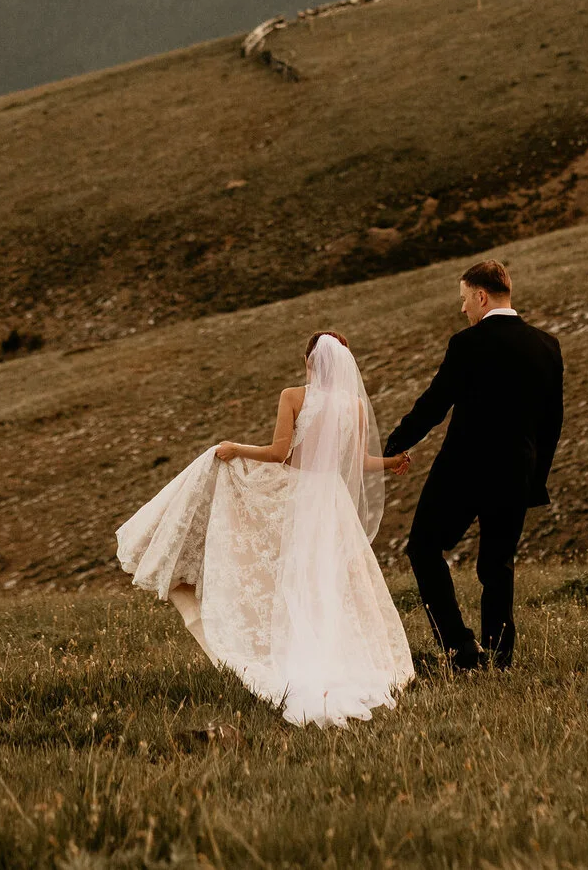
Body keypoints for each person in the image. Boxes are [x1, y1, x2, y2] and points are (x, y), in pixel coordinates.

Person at [114, 332, 414, 726]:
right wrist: (391, 463)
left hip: (301, 497)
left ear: (309, 363)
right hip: (334, 502)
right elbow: (356, 462)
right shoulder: (354, 407)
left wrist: (235, 449)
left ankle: (295, 654)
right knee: (330, 582)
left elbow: (277, 454)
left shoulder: (294, 396)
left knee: (289, 578)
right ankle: (336, 655)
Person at [381, 261, 564, 671]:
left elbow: (434, 404)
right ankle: (500, 658)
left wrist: (395, 444)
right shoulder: (547, 345)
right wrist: (535, 478)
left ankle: (460, 648)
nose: (463, 309)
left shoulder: (467, 344)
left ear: (481, 296)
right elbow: (552, 424)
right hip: (517, 471)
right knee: (496, 565)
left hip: (463, 471)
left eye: (464, 300)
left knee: (423, 548)